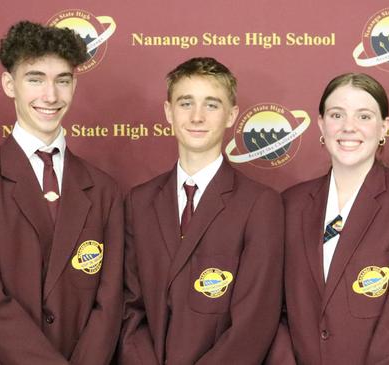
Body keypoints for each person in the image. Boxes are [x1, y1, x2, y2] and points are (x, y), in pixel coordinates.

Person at [0, 21, 124, 364]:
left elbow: (109, 301)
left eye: (63, 80)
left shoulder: (104, 189)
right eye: (35, 79)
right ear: (9, 84)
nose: (51, 96)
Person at [118, 57, 284, 364]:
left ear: (232, 115)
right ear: (168, 111)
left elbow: (253, 323)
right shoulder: (139, 202)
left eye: (211, 104)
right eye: (185, 103)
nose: (197, 116)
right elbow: (130, 309)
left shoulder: (259, 204)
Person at [274, 72, 389, 364]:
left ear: (384, 128)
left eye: (364, 116)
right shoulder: (289, 204)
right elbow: (271, 309)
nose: (348, 127)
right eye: (336, 114)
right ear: (320, 124)